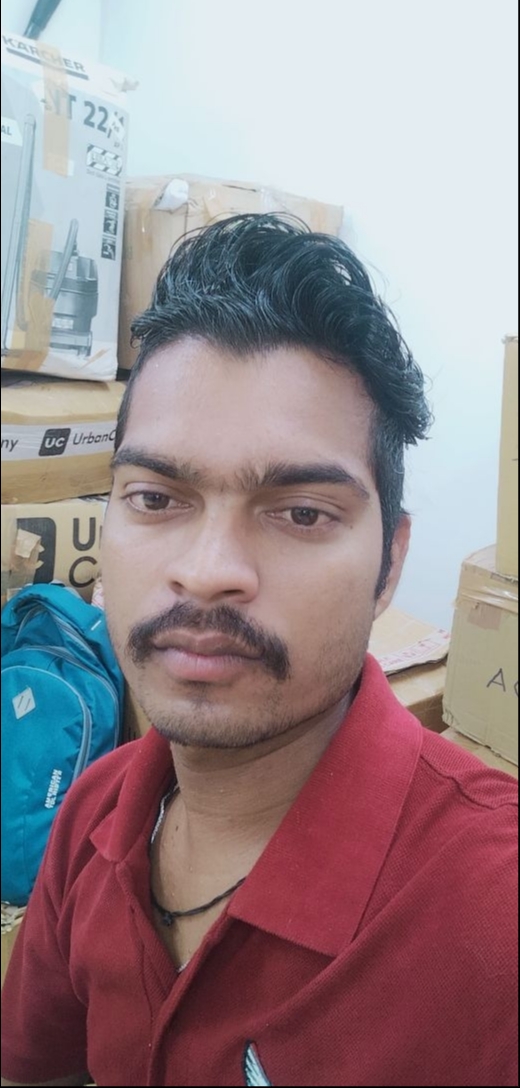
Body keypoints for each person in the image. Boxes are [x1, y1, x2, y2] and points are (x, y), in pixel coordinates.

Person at [1, 215, 517, 1088]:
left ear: (390, 564)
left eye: (301, 512)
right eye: (156, 498)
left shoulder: (496, 917)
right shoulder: (93, 817)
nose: (207, 572)